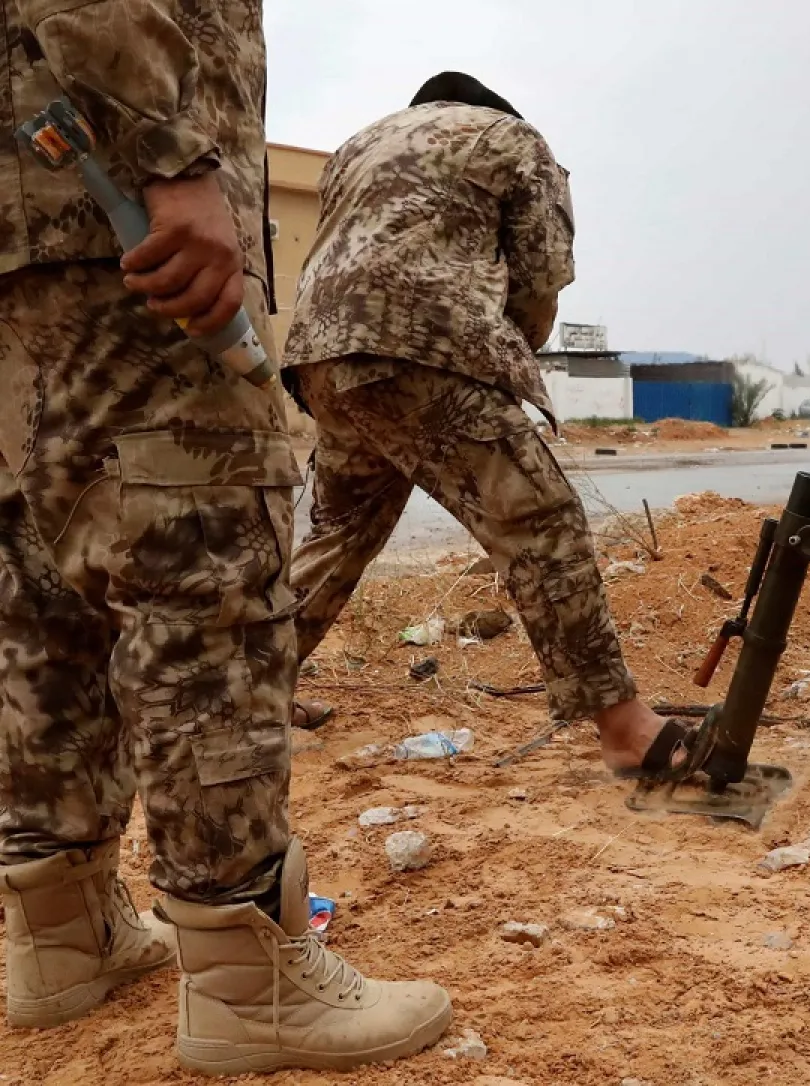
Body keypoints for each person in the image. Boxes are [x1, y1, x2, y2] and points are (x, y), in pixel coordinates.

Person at [0, 2, 450, 1073]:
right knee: (204, 573)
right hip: (122, 225)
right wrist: (172, 159)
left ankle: (58, 940)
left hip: (26, 239)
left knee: (43, 584)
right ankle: (250, 981)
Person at [281, 72, 692, 778]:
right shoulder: (513, 138)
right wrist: (506, 356)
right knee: (540, 519)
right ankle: (625, 729)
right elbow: (538, 281)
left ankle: (248, 693)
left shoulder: (356, 147)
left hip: (319, 354)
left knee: (339, 535)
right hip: (419, 344)